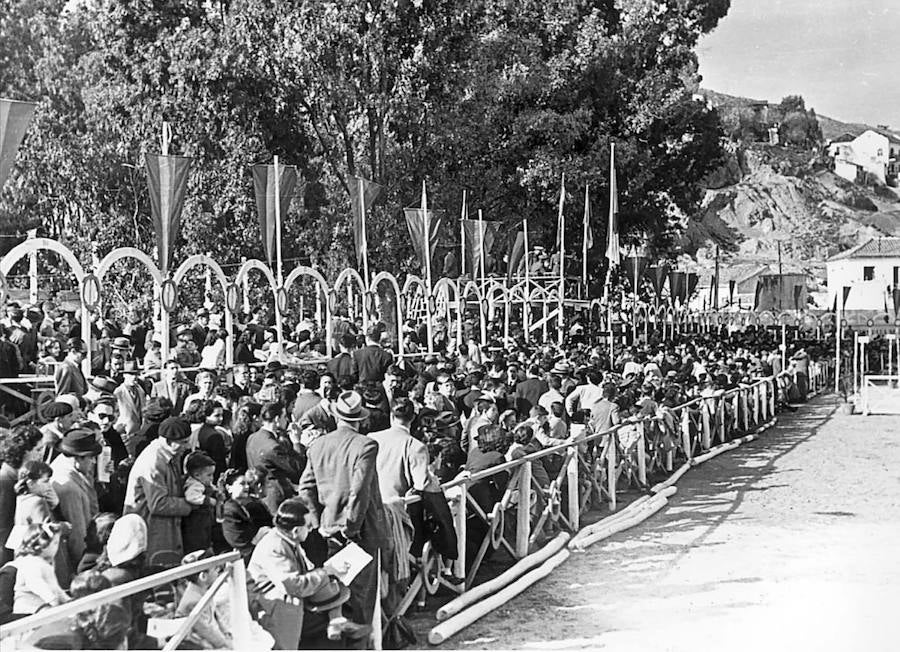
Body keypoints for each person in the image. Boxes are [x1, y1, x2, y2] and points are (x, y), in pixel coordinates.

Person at [298, 390, 391, 630]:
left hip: (329, 530)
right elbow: (360, 491)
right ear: (359, 419)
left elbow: (305, 488)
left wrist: (319, 523)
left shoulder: (318, 445)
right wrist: (351, 527)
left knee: (336, 596)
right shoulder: (366, 445)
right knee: (361, 598)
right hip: (361, 532)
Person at [247, 498, 369, 648]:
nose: (311, 529)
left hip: (290, 599)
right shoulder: (274, 547)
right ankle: (336, 622)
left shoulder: (289, 540)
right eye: (308, 525)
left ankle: (336, 621)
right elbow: (294, 586)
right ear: (296, 530)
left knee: (345, 602)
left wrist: (331, 571)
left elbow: (308, 570)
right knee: (331, 633)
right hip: (273, 606)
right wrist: (325, 572)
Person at [124, 416, 194, 559]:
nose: (187, 447)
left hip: (163, 529)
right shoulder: (153, 461)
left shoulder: (170, 454)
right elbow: (158, 504)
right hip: (150, 533)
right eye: (183, 442)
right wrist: (192, 504)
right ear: (168, 442)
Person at [51, 427, 101, 587]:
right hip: (76, 565)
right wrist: (85, 568)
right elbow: (77, 535)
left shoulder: (67, 467)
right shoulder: (68, 488)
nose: (93, 462)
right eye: (90, 458)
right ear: (77, 458)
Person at [176, 549, 233, 649]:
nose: (218, 571)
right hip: (196, 643)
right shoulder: (193, 601)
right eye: (215, 568)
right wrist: (227, 644)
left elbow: (216, 616)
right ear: (203, 576)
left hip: (209, 639)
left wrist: (226, 632)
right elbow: (207, 631)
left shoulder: (202, 590)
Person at [12, 522, 69, 614]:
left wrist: (66, 599)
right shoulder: (31, 562)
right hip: (28, 610)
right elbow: (35, 583)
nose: (57, 547)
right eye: (55, 543)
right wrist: (52, 599)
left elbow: (55, 587)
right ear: (42, 545)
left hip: (43, 606)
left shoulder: (46, 564)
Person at [220, 468, 271, 561]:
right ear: (229, 488)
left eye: (247, 484)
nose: (247, 487)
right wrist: (257, 538)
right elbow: (237, 542)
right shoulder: (229, 512)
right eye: (242, 484)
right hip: (237, 559)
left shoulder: (242, 507)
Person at [181, 451, 218, 555]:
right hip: (197, 520)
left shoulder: (201, 482)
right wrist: (208, 500)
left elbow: (210, 486)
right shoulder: (195, 485)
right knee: (199, 544)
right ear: (197, 475)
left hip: (204, 520)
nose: (211, 478)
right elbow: (191, 497)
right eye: (209, 475)